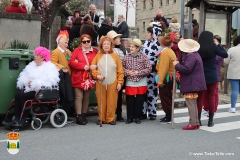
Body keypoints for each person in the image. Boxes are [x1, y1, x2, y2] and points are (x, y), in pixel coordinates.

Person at [13, 46, 60, 124]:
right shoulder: (31, 66)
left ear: (43, 57)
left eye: (37, 55)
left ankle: (24, 118)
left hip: (41, 91)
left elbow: (49, 81)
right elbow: (23, 77)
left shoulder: (49, 67)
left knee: (21, 96)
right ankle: (17, 117)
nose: (35, 56)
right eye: (35, 54)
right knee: (18, 95)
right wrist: (26, 82)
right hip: (31, 89)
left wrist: (34, 83)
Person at [173, 39, 206, 130]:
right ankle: (195, 122)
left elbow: (187, 69)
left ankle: (193, 123)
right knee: (193, 103)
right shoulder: (195, 54)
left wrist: (176, 65)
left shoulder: (191, 56)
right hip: (194, 82)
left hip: (191, 83)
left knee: (191, 103)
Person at [91, 36, 124, 125]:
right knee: (101, 101)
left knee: (112, 101)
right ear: (101, 45)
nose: (106, 46)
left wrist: (120, 82)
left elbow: (120, 71)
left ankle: (110, 118)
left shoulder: (115, 57)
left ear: (111, 45)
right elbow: (93, 68)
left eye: (108, 44)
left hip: (113, 82)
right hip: (100, 83)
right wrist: (97, 75)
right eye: (104, 44)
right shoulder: (97, 56)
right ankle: (101, 118)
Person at [197, 31, 228, 127]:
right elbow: (225, 54)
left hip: (201, 75)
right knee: (211, 97)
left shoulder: (198, 47)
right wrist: (218, 45)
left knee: (200, 98)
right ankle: (210, 121)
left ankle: (198, 120)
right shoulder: (214, 48)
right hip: (212, 75)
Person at [69, 34, 98, 125]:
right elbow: (71, 62)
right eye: (84, 41)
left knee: (86, 97)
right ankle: (79, 115)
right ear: (81, 42)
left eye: (88, 41)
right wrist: (82, 66)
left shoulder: (95, 52)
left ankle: (84, 114)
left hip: (88, 77)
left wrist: (95, 66)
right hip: (78, 77)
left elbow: (98, 62)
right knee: (79, 97)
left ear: (90, 42)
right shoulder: (77, 51)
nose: (86, 43)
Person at [123, 39, 151, 124]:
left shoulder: (144, 57)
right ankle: (129, 117)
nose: (131, 48)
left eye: (133, 47)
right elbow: (122, 68)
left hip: (141, 81)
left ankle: (138, 117)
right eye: (130, 46)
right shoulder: (126, 56)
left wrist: (138, 73)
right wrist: (128, 72)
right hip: (130, 80)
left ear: (138, 48)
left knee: (139, 100)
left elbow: (149, 68)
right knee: (130, 100)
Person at [141, 22, 163, 120]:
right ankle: (143, 111)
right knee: (143, 92)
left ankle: (152, 112)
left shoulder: (159, 45)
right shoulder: (146, 43)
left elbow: (158, 59)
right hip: (144, 72)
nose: (147, 34)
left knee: (152, 92)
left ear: (153, 34)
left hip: (153, 72)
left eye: (148, 33)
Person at [51, 30, 73, 124]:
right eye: (65, 42)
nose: (67, 43)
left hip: (68, 77)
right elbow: (52, 63)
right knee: (63, 97)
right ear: (59, 42)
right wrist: (62, 67)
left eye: (67, 42)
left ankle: (66, 114)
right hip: (61, 79)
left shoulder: (68, 51)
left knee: (68, 97)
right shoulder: (55, 52)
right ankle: (62, 115)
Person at [156, 32, 177, 123]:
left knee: (164, 96)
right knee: (168, 96)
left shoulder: (165, 53)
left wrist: (160, 81)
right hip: (171, 76)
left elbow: (163, 68)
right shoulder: (170, 51)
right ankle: (169, 114)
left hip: (167, 77)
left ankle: (168, 114)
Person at [202, 35, 225, 116]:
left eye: (214, 41)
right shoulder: (211, 50)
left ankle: (213, 109)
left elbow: (218, 58)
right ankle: (206, 108)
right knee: (205, 92)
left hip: (215, 74)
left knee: (213, 93)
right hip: (208, 74)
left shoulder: (217, 50)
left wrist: (217, 46)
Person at [107, 30, 127, 122]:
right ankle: (113, 113)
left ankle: (119, 113)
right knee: (114, 95)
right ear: (113, 40)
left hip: (122, 74)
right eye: (117, 38)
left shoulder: (122, 49)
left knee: (119, 95)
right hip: (113, 75)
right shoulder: (110, 50)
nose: (120, 39)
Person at [224, 35, 240, 113]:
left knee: (235, 90)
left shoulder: (232, 50)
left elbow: (226, 61)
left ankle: (233, 107)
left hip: (234, 73)